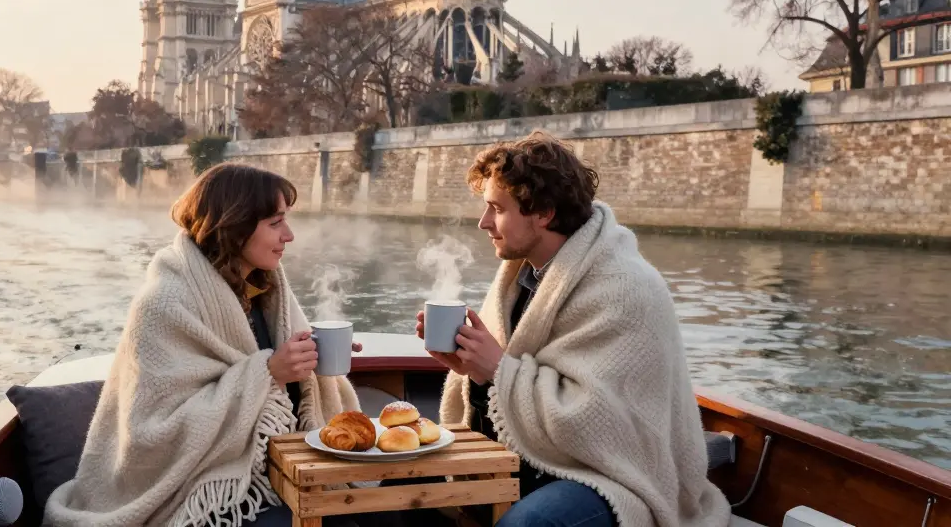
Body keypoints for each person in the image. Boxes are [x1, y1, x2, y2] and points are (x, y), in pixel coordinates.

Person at [415, 131, 731, 527]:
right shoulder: (521, 276)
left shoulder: (626, 289)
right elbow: (506, 393)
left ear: (544, 212)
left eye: (496, 208)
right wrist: (472, 369)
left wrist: (497, 370)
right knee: (397, 496)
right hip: (530, 460)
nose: (483, 223)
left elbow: (607, 427)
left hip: (614, 478)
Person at [45, 164, 362, 527]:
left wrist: (313, 358)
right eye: (275, 223)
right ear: (235, 226)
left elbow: (290, 389)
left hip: (272, 466)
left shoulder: (267, 288)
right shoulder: (164, 303)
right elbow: (152, 433)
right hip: (203, 486)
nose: (288, 235)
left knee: (369, 513)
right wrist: (268, 371)